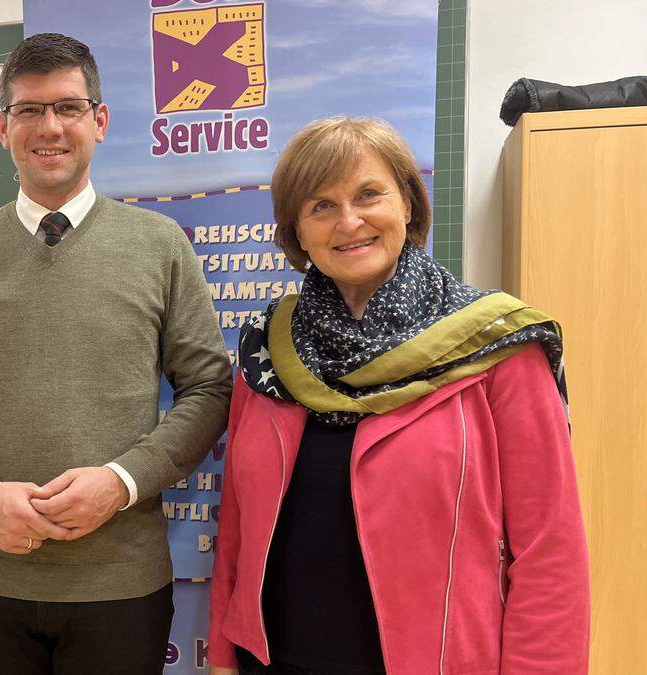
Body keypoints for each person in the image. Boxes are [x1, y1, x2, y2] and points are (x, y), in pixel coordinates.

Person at [0, 33, 231, 674]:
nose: (50, 127)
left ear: (99, 121)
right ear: (2, 127)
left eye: (69, 107)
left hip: (121, 586)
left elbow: (210, 389)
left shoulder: (159, 246)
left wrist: (122, 483)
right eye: (29, 110)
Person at [207, 117, 590, 674]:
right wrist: (222, 654)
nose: (350, 222)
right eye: (321, 206)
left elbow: (549, 551)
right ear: (297, 231)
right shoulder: (268, 351)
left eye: (368, 195)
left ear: (409, 204)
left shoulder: (499, 349)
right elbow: (237, 524)